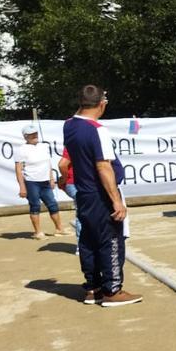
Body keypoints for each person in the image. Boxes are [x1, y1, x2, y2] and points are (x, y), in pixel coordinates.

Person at [62, 85, 142, 307]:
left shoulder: (69, 125)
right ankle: (112, 290)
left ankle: (92, 288)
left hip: (84, 193)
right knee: (111, 240)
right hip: (100, 194)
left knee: (88, 240)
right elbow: (103, 167)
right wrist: (116, 200)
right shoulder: (98, 130)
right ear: (102, 104)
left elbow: (68, 160)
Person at [14, 124, 67, 239]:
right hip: (31, 182)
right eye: (31, 134)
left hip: (45, 181)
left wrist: (51, 179)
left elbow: (48, 163)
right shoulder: (21, 149)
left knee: (53, 204)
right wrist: (22, 187)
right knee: (35, 206)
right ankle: (37, 232)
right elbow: (18, 170)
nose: (34, 136)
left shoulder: (43, 146)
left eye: (35, 133)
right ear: (25, 137)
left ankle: (59, 229)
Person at [56, 147, 83, 246]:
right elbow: (62, 164)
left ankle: (83, 246)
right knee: (83, 212)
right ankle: (82, 246)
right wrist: (64, 178)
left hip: (78, 183)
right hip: (75, 183)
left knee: (83, 212)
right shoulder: (72, 144)